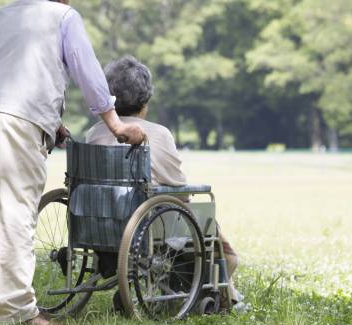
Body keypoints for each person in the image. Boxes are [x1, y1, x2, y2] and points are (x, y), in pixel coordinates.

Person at [0, 0, 145, 325]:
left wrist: (53, 120)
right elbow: (87, 72)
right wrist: (115, 123)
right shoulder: (63, 15)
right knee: (15, 213)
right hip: (18, 121)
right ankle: (18, 311)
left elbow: (6, 70)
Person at [86, 55, 243, 308]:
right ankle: (225, 295)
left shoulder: (93, 134)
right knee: (222, 247)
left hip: (101, 223)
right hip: (150, 227)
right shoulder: (158, 134)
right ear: (145, 101)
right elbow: (179, 189)